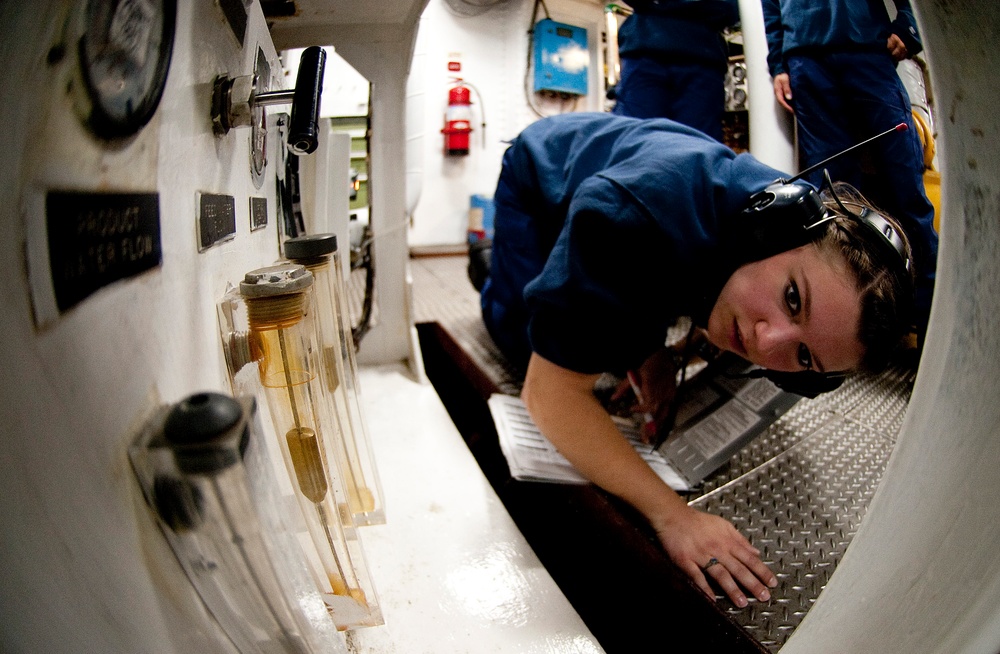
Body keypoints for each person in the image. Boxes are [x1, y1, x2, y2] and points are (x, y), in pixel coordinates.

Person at [478, 111, 914, 607]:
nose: (765, 342)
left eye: (804, 357)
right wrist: (673, 517)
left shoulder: (780, 248)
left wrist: (654, 352)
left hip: (635, 212)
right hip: (542, 171)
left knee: (619, 322)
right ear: (774, 227)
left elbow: (676, 280)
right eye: (793, 298)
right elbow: (548, 393)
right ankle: (490, 265)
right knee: (520, 336)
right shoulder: (635, 213)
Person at [761, 0, 937, 337]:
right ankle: (855, 329)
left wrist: (910, 23)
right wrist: (779, 63)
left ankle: (931, 327)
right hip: (806, 58)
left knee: (907, 193)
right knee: (834, 204)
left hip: (865, 46)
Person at [610, 0, 739, 141]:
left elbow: (729, 9)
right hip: (689, 53)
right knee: (637, 140)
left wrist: (660, 4)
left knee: (637, 141)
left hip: (695, 58)